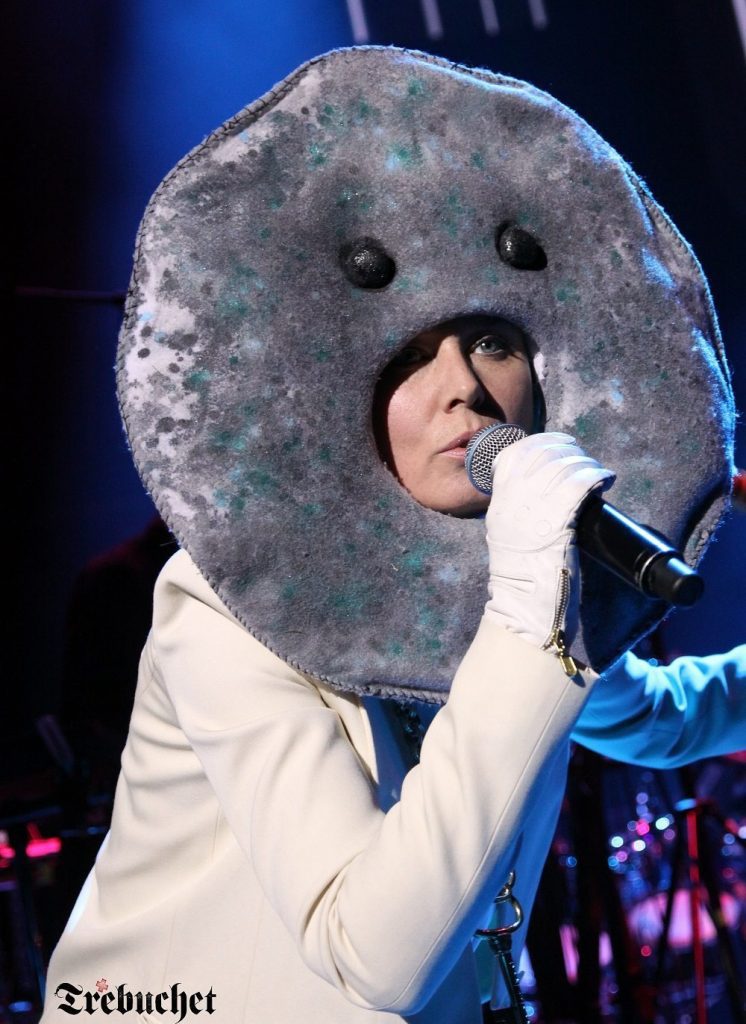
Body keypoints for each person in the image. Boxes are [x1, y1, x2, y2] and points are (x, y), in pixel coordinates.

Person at [42, 47, 744, 1022]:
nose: (464, 388)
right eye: (408, 356)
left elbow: (659, 718)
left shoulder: (520, 582)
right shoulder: (226, 606)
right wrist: (529, 605)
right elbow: (376, 956)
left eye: (491, 340)